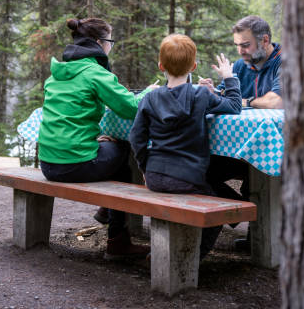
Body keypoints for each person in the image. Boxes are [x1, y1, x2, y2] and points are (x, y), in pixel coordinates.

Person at [38, 17, 156, 259]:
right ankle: (117, 242)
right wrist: (149, 93)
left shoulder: (56, 75)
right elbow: (130, 108)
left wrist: (93, 138)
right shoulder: (94, 73)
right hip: (74, 164)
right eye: (110, 42)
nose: (111, 47)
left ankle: (107, 215)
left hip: (48, 164)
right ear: (99, 43)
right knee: (123, 151)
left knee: (111, 149)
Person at [128, 33, 242, 259]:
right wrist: (229, 78)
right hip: (187, 178)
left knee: (218, 194)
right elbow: (234, 106)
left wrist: (144, 167)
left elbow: (136, 137)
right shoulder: (200, 94)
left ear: (161, 65)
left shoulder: (149, 98)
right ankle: (188, 257)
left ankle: (170, 251)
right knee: (218, 210)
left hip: (154, 176)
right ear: (194, 66)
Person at [199, 15, 282, 251]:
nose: (240, 50)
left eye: (245, 45)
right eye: (237, 45)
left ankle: (266, 238)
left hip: (279, 148)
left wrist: (246, 101)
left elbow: (277, 101)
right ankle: (238, 209)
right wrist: (211, 91)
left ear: (265, 40)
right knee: (200, 168)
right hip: (240, 148)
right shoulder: (238, 66)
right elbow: (225, 97)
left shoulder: (285, 61)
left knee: (258, 178)